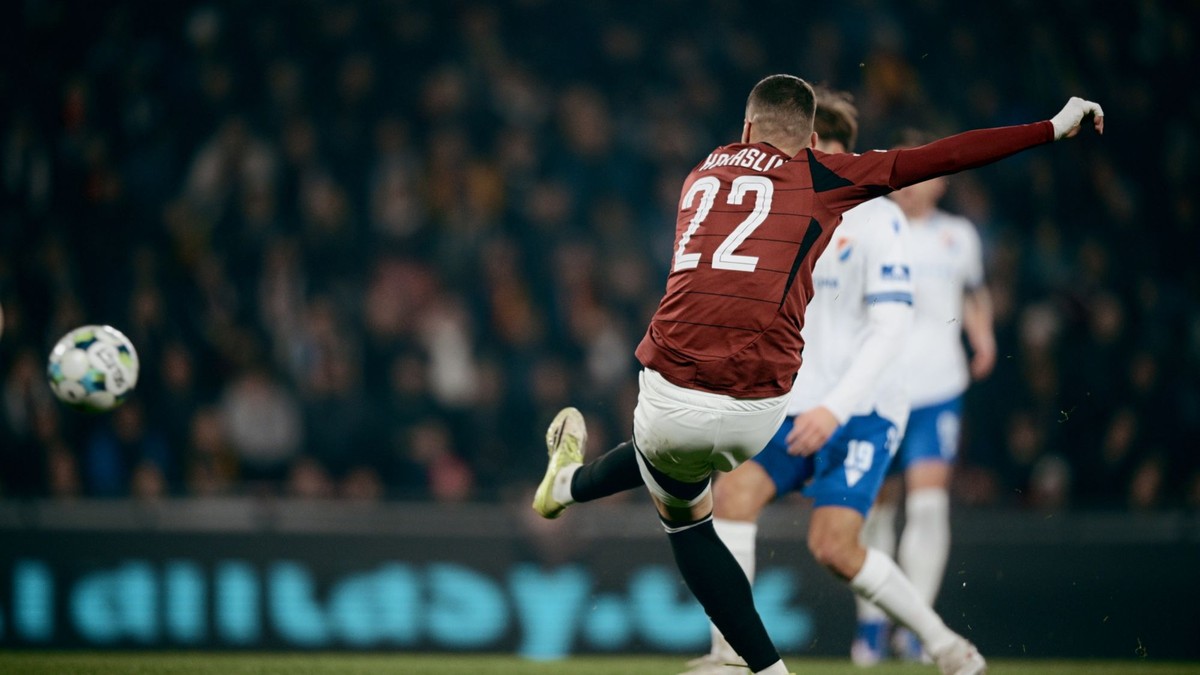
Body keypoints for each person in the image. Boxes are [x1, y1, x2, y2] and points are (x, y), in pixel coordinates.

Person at [532, 73, 1103, 675]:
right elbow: (943, 155)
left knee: (684, 503)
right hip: (765, 408)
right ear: (809, 141)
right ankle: (570, 489)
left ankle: (812, 657)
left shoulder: (702, 172)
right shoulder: (824, 179)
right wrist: (1050, 128)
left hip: (714, 397)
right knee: (708, 482)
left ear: (746, 128)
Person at [674, 87, 978, 675]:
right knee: (731, 497)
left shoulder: (878, 218)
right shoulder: (780, 211)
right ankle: (729, 658)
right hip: (791, 406)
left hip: (860, 410)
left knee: (834, 547)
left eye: (825, 155)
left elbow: (892, 327)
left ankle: (945, 646)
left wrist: (835, 408)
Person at [854, 128, 998, 665]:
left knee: (930, 504)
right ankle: (872, 622)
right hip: (878, 386)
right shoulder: (868, 226)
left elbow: (974, 293)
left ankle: (917, 627)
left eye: (926, 172)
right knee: (875, 510)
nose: (914, 183)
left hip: (938, 387)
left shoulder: (958, 236)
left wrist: (983, 337)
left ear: (942, 182)